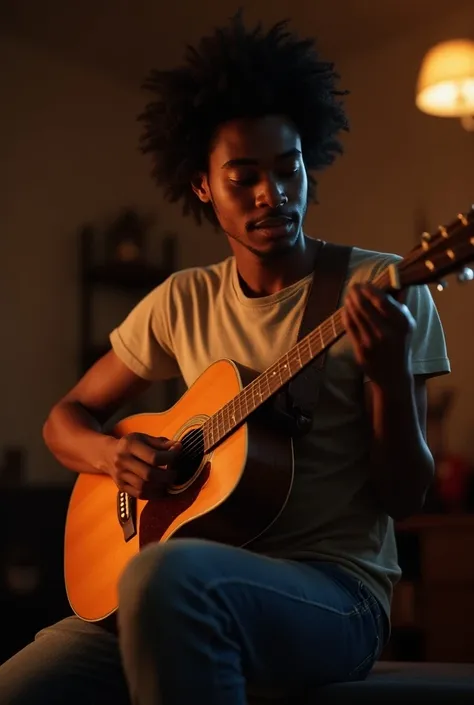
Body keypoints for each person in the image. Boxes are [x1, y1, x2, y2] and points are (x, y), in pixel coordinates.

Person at [0, 12, 450, 705]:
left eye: (288, 167)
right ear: (204, 186)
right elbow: (66, 418)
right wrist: (110, 456)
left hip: (338, 593)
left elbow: (405, 496)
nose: (274, 193)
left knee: (165, 578)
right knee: (22, 684)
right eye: (245, 177)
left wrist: (388, 374)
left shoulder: (382, 288)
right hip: (181, 582)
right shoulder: (180, 300)